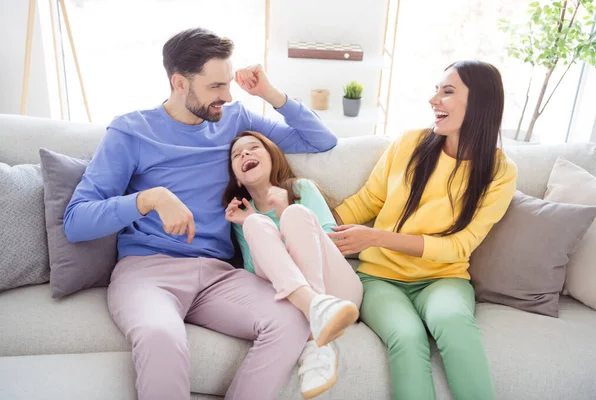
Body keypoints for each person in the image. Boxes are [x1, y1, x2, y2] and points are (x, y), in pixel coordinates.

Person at [63, 27, 338, 400]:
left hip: (218, 276)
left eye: (228, 85)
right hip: (147, 273)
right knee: (161, 336)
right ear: (180, 82)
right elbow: (76, 221)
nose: (226, 96)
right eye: (215, 87)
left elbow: (320, 141)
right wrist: (149, 199)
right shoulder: (131, 131)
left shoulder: (234, 118)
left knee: (292, 319)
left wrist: (269, 94)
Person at [328, 60, 518, 400]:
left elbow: (460, 246)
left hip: (443, 278)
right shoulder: (410, 143)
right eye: (436, 90)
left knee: (455, 325)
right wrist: (317, 224)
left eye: (447, 92)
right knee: (407, 335)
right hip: (379, 277)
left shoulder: (500, 171)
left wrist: (374, 237)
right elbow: (368, 200)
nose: (434, 100)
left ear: (480, 103)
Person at [222, 130, 363, 399]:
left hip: (339, 292)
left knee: (296, 214)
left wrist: (284, 212)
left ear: (272, 157)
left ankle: (318, 312)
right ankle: (316, 335)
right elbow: (258, 276)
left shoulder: (300, 189)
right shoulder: (244, 214)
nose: (245, 154)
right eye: (237, 155)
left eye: (253, 148)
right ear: (237, 178)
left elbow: (331, 245)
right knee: (255, 222)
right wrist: (248, 222)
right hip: (292, 303)